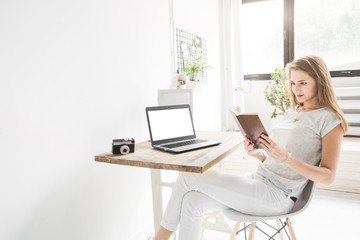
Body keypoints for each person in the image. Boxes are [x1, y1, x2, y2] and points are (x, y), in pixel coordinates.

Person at [152, 55, 348, 240]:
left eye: (303, 82)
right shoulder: (292, 111)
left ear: (319, 81)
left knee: (188, 175)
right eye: (293, 82)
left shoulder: (329, 120)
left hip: (278, 196)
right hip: (258, 180)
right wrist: (261, 155)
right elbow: (280, 160)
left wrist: (285, 158)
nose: (296, 88)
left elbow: (328, 177)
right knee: (192, 201)